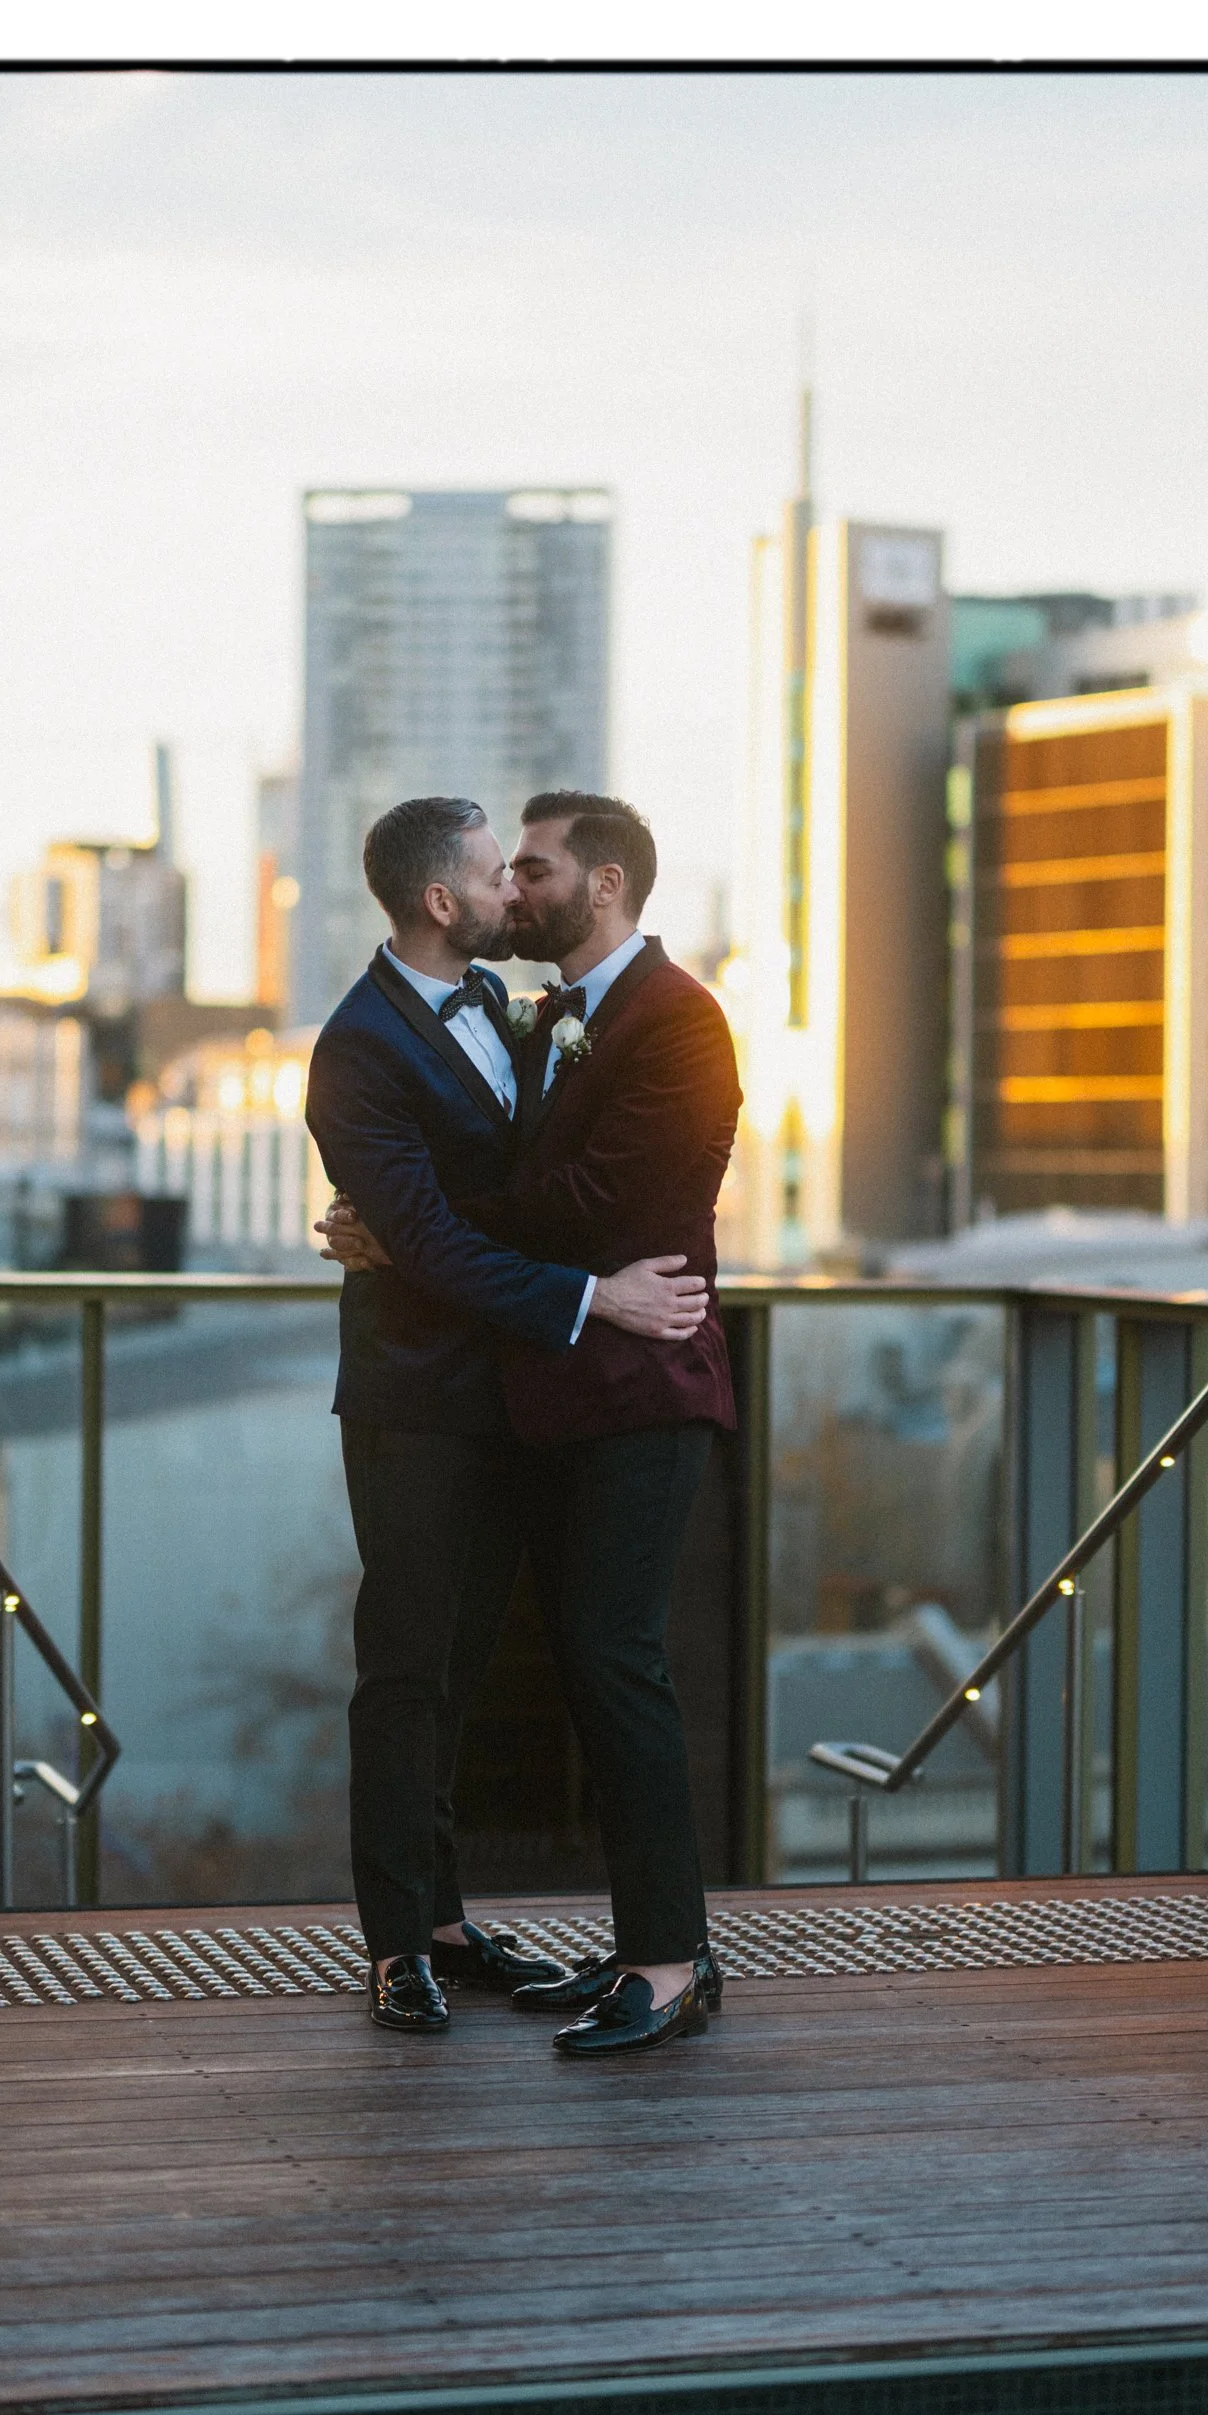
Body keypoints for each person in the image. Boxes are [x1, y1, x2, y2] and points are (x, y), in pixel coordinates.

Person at [319, 793, 741, 2058]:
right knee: (413, 1667)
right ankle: (412, 1938)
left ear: (598, 886)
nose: (517, 888)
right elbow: (499, 1196)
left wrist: (409, 1229)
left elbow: (584, 1191)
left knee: (574, 1664)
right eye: (500, 873)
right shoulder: (374, 1038)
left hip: (590, 1387)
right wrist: (401, 1228)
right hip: (438, 1397)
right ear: (442, 902)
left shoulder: (636, 1020)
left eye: (533, 868)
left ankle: (656, 1957)